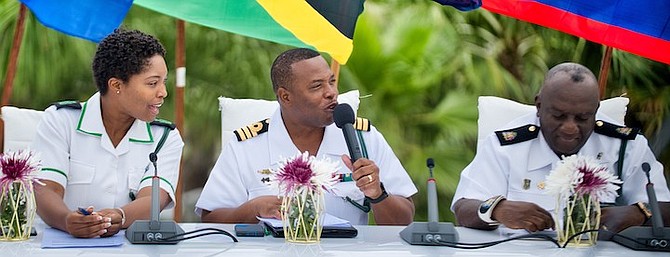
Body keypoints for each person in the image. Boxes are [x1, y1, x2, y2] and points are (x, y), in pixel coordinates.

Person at [196, 48, 416, 225]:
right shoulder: (246, 145)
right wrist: (253, 209)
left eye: (331, 82)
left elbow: (404, 219)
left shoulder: (364, 139)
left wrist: (377, 194)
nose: (331, 92)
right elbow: (210, 219)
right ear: (285, 97)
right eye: (316, 86)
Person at [451, 62, 670, 237]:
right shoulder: (507, 145)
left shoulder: (626, 145)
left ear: (596, 111)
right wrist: (497, 210)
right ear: (538, 106)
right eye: (558, 116)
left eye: (583, 118)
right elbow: (464, 209)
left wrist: (640, 212)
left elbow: (665, 208)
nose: (570, 127)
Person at [32, 29, 184, 238]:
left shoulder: (165, 137)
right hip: (59, 246)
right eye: (152, 83)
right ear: (116, 85)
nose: (163, 92)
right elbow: (44, 189)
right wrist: (68, 221)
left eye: (163, 81)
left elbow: (156, 198)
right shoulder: (61, 121)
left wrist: (120, 216)